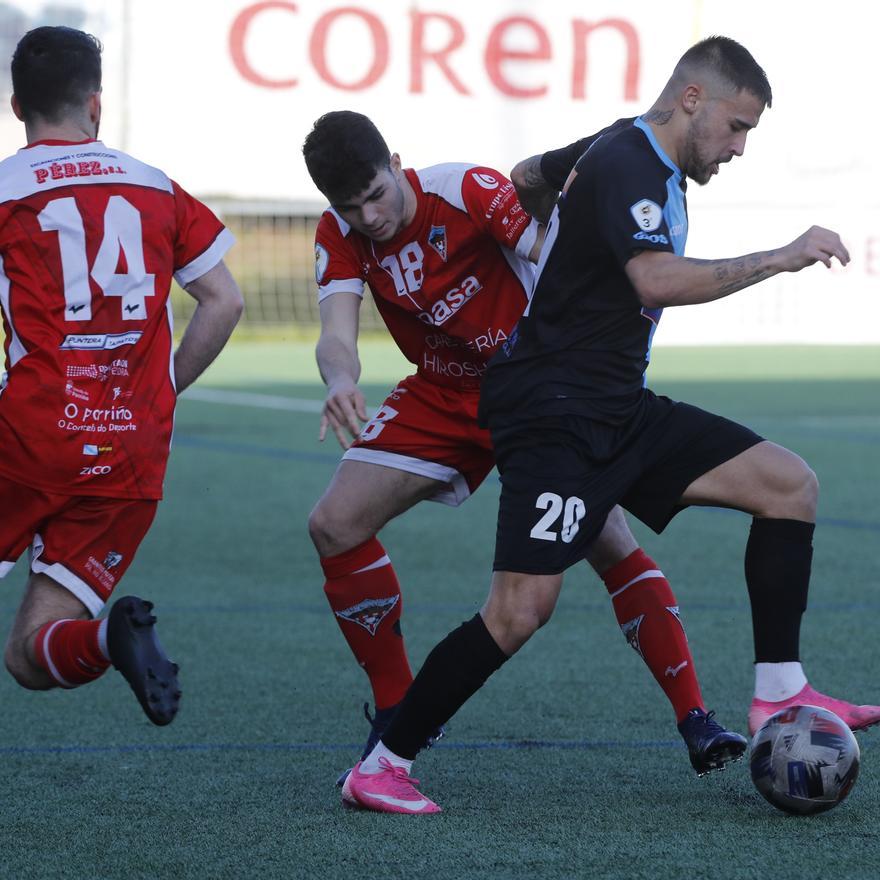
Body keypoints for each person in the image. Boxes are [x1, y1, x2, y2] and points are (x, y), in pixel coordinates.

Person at [340, 35, 880, 814]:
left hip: (615, 403)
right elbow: (653, 278)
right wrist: (779, 256)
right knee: (520, 609)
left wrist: (559, 261)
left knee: (789, 484)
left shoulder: (616, 147)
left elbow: (531, 178)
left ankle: (778, 693)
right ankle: (383, 766)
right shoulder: (631, 162)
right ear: (692, 98)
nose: (738, 147)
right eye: (737, 127)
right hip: (554, 410)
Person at [303, 110, 746, 786]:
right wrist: (340, 379)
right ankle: (396, 707)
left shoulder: (468, 190)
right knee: (333, 525)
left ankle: (695, 718)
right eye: (351, 206)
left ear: (397, 161)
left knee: (611, 545)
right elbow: (336, 331)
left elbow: (557, 258)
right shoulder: (338, 233)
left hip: (538, 390)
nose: (370, 217)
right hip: (442, 396)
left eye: (376, 194)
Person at [0, 27, 243, 724]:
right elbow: (225, 300)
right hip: (132, 450)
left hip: (32, 436)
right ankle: (109, 638)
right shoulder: (156, 187)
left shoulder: (6, 190)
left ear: (18, 107)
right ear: (96, 104)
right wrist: (160, 390)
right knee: (29, 654)